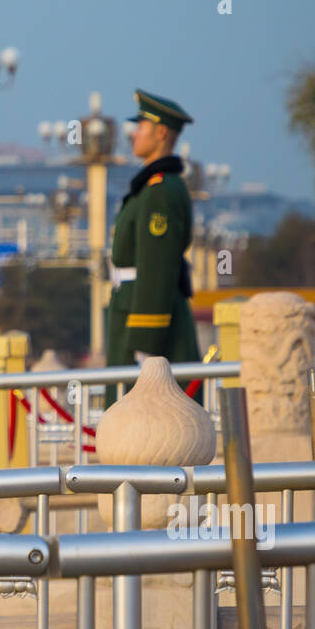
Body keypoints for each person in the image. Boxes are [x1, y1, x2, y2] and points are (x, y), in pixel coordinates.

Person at [105, 89, 200, 407]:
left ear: (161, 133)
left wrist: (145, 342)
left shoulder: (159, 191)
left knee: (143, 423)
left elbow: (157, 268)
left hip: (144, 317)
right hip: (129, 308)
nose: (134, 133)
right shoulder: (152, 186)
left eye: (142, 125)